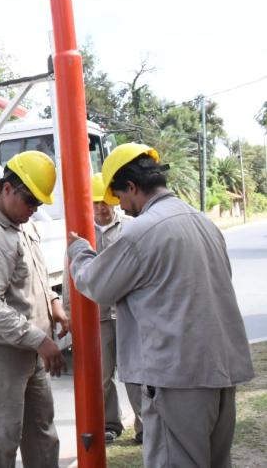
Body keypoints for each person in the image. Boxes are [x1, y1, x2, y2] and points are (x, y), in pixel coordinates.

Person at [67, 144, 253, 467]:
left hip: (178, 380)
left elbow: (97, 284)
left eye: (119, 197)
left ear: (132, 187)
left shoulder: (142, 231)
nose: (121, 207)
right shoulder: (202, 222)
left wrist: (80, 252)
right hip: (221, 372)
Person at [0, 150, 71, 468]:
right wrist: (40, 340)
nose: (34, 209)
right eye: (30, 201)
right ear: (6, 188)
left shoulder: (20, 221)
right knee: (0, 438)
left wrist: (53, 302)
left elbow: (34, 272)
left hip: (28, 345)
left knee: (41, 431)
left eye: (38, 203)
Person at [88, 172, 141, 445]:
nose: (101, 208)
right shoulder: (82, 232)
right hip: (98, 316)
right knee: (102, 375)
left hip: (128, 314)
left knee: (136, 372)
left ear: (114, 200)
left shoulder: (131, 227)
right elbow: (71, 274)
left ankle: (145, 427)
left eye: (105, 201)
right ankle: (109, 424)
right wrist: (71, 315)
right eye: (95, 202)